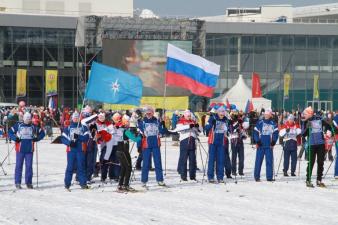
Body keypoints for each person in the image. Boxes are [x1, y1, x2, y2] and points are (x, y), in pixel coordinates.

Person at [9, 112, 45, 189]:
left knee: (29, 167)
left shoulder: (33, 126)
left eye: (29, 119)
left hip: (29, 150)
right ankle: (17, 182)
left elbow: (42, 133)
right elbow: (10, 132)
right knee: (19, 166)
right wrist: (15, 138)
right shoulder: (18, 125)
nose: (27, 120)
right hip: (20, 149)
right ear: (24, 118)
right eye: (26, 119)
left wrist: (37, 138)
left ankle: (28, 182)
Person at [138, 106, 166, 188]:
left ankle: (160, 180)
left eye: (150, 113)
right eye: (147, 113)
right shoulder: (142, 121)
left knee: (158, 162)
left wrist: (163, 127)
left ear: (153, 113)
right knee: (146, 163)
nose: (148, 115)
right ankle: (144, 181)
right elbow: (140, 132)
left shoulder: (156, 120)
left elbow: (161, 131)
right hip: (146, 144)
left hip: (155, 143)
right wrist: (139, 144)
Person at [302, 106, 330, 187]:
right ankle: (308, 180)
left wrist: (330, 124)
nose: (305, 115)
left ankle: (319, 180)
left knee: (320, 162)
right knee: (311, 162)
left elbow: (328, 126)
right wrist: (307, 127)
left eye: (306, 114)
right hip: (312, 144)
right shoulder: (305, 121)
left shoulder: (319, 118)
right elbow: (303, 134)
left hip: (321, 143)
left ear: (310, 114)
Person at [61, 111, 90, 190]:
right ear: (72, 118)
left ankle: (83, 183)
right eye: (74, 118)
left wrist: (78, 136)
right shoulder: (68, 127)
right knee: (70, 167)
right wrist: (69, 143)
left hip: (80, 150)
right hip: (71, 150)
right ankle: (67, 184)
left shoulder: (84, 127)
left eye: (77, 118)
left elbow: (86, 138)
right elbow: (63, 138)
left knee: (81, 167)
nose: (76, 119)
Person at [205, 105, 230, 183]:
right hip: (212, 142)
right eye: (220, 112)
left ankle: (220, 177)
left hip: (221, 142)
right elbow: (206, 128)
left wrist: (229, 130)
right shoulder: (213, 118)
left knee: (221, 160)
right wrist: (211, 124)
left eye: (223, 112)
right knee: (212, 159)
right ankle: (210, 176)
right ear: (218, 112)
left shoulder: (225, 120)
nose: (222, 114)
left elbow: (228, 130)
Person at [116, 115, 141, 191]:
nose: (128, 123)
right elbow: (135, 139)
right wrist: (140, 136)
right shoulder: (125, 130)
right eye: (127, 122)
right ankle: (126, 185)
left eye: (129, 122)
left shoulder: (119, 129)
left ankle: (120, 185)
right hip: (123, 151)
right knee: (129, 167)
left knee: (124, 167)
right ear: (123, 122)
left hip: (119, 151)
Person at [253, 108, 279, 182]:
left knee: (269, 161)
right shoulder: (260, 122)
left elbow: (275, 133)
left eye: (268, 114)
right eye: (266, 114)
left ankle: (269, 177)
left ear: (270, 115)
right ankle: (257, 177)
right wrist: (257, 141)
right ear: (264, 114)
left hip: (269, 145)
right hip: (260, 145)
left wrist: (273, 141)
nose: (266, 115)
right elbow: (255, 132)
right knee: (258, 161)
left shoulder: (273, 123)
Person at [175, 110, 199, 181]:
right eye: (187, 116)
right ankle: (183, 176)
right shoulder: (181, 121)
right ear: (184, 115)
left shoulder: (192, 121)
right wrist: (189, 126)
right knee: (184, 160)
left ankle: (192, 176)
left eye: (189, 116)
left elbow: (198, 130)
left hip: (192, 141)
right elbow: (179, 129)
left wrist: (197, 127)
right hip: (184, 141)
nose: (189, 117)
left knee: (193, 160)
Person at [229, 111, 247, 176]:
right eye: (234, 115)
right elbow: (230, 130)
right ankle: (233, 171)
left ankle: (241, 171)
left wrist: (244, 134)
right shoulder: (230, 122)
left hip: (240, 141)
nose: (236, 116)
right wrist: (236, 127)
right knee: (234, 157)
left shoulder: (240, 122)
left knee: (241, 157)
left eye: (236, 115)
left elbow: (243, 130)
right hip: (234, 141)